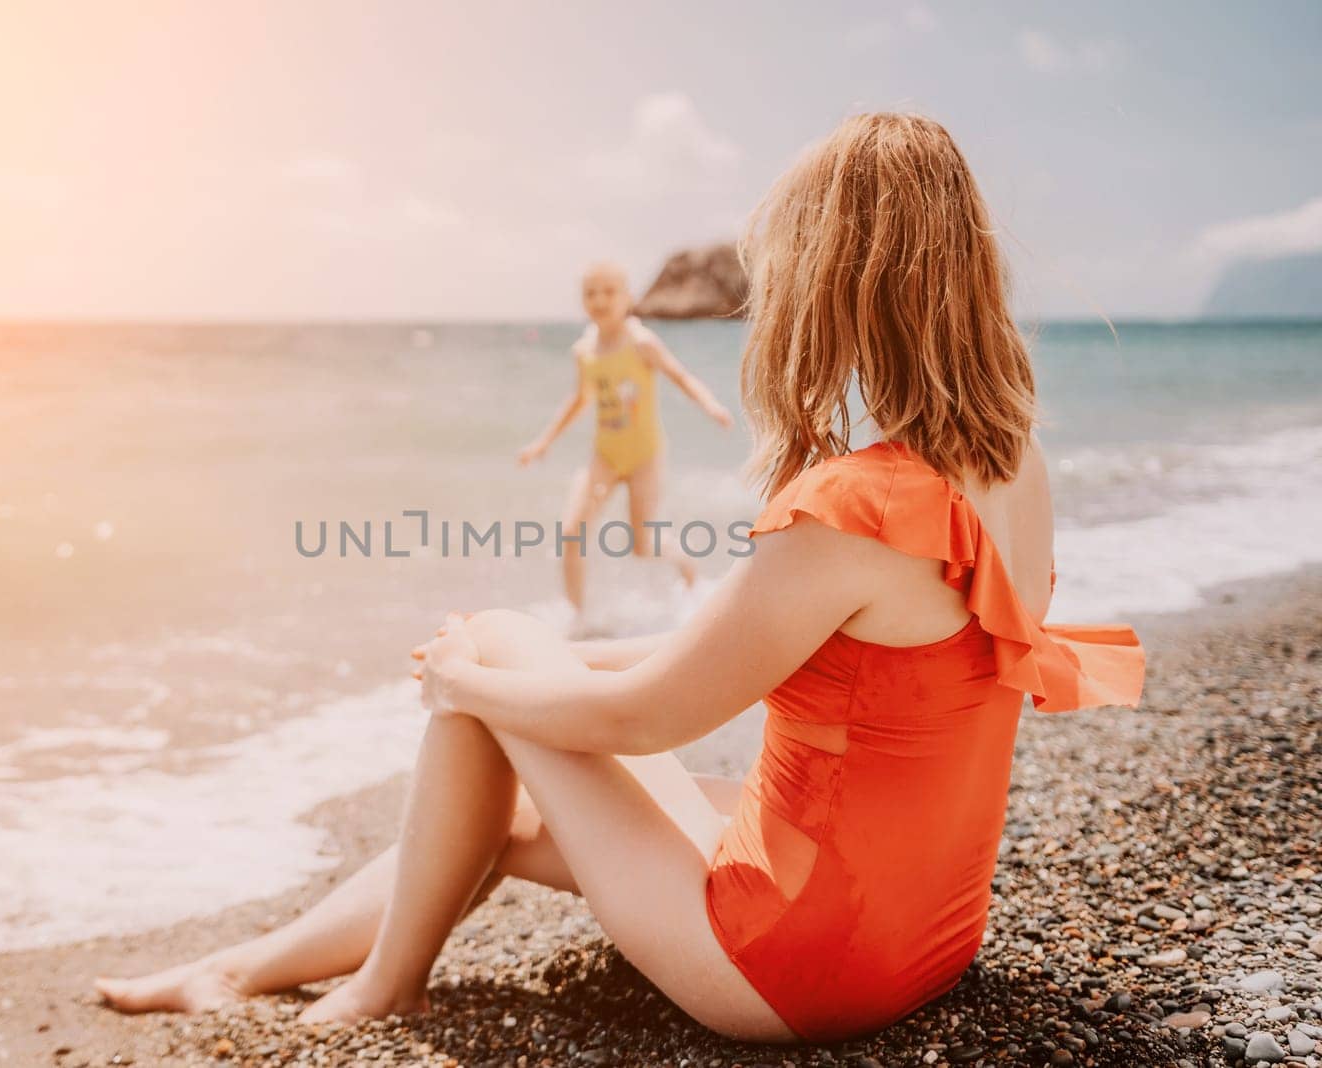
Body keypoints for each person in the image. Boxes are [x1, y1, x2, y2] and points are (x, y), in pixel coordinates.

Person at [94, 112, 1145, 1045]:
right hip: (927, 930)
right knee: (498, 810)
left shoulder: (850, 511)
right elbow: (765, 648)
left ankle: (385, 985)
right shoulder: (1012, 465)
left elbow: (644, 719)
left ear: (823, 283)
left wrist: (470, 682)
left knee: (496, 643)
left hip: (798, 962)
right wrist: (536, 669)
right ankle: (249, 969)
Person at [517, 265, 734, 625]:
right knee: (572, 532)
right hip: (605, 455)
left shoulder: (641, 342)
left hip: (644, 456)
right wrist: (543, 442)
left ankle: (691, 575)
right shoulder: (584, 350)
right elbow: (578, 400)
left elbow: (679, 375)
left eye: (609, 291)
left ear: (628, 298)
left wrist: (710, 404)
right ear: (582, 301)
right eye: (591, 293)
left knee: (643, 544)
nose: (600, 299)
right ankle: (575, 617)